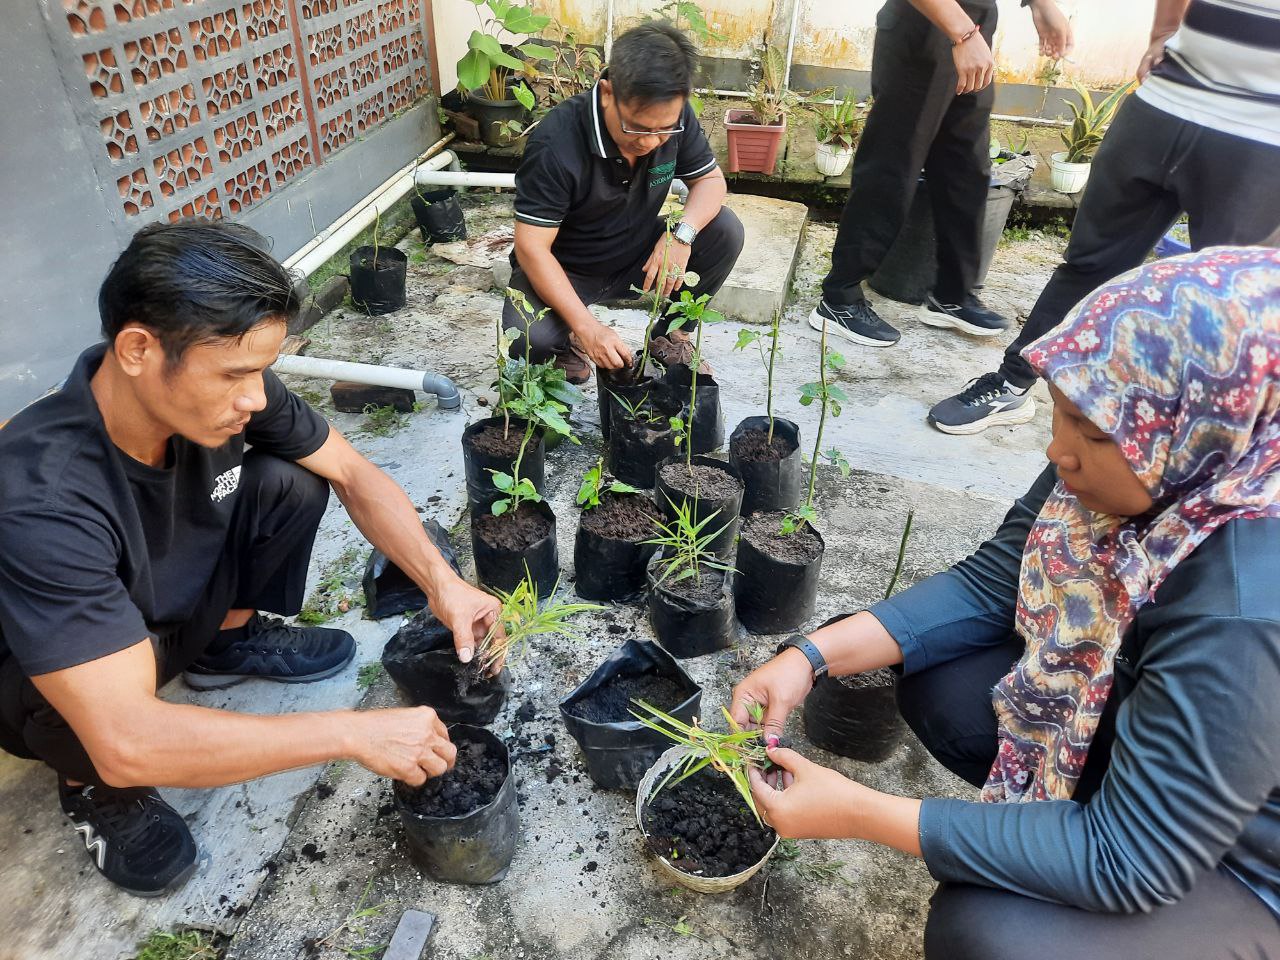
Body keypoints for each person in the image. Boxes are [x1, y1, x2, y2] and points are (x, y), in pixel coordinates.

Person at [733, 248, 1280, 957]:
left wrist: (858, 812)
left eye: (1095, 435)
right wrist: (808, 658)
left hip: (1246, 860)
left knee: (993, 932)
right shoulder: (1144, 459)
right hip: (1169, 740)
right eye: (1061, 412)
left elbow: (1130, 860)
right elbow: (994, 579)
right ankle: (1067, 811)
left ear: (1205, 432)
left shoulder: (1242, 608)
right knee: (947, 681)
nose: (1060, 451)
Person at [0, 221, 502, 897]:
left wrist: (443, 583)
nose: (257, 397)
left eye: (263, 370)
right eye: (237, 374)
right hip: (69, 684)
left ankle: (224, 642)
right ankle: (91, 788)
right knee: (95, 716)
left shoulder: (224, 391)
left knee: (290, 480)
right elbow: (125, 733)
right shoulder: (42, 496)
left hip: (171, 607)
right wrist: (351, 733)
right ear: (139, 350)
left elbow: (355, 474)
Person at [928, 0, 1280, 434]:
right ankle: (1012, 383)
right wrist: (1163, 31)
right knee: (1087, 265)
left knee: (1228, 307)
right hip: (1164, 103)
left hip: (1261, 138)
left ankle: (1190, 441)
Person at [809, 0, 1072, 349]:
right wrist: (962, 35)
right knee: (893, 165)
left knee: (965, 166)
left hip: (973, 26)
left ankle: (952, 295)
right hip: (926, 27)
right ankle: (838, 298)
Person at [504, 20, 744, 384]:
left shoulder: (672, 119)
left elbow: (710, 181)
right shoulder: (556, 144)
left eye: (664, 129)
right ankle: (569, 342)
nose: (651, 141)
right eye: (638, 128)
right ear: (607, 94)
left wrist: (681, 236)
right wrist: (588, 328)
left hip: (637, 256)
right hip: (566, 267)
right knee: (527, 336)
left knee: (725, 230)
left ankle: (671, 335)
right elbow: (532, 248)